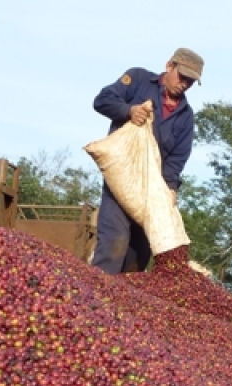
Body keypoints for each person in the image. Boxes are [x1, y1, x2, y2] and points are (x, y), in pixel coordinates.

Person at [90, 48, 203, 274]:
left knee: (139, 254)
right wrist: (128, 110)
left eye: (190, 82)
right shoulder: (139, 79)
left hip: (151, 191)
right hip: (122, 180)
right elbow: (102, 100)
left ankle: (124, 306)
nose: (184, 85)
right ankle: (95, 301)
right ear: (169, 66)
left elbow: (177, 159)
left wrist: (170, 188)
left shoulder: (186, 116)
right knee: (115, 241)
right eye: (182, 77)